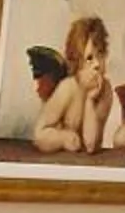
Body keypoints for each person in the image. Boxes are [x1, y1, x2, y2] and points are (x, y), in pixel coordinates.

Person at [29, 14, 116, 154]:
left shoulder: (105, 90)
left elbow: (91, 145)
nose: (97, 64)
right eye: (89, 58)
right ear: (77, 62)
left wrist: (89, 100)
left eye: (100, 54)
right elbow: (39, 135)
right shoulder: (68, 88)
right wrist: (62, 138)